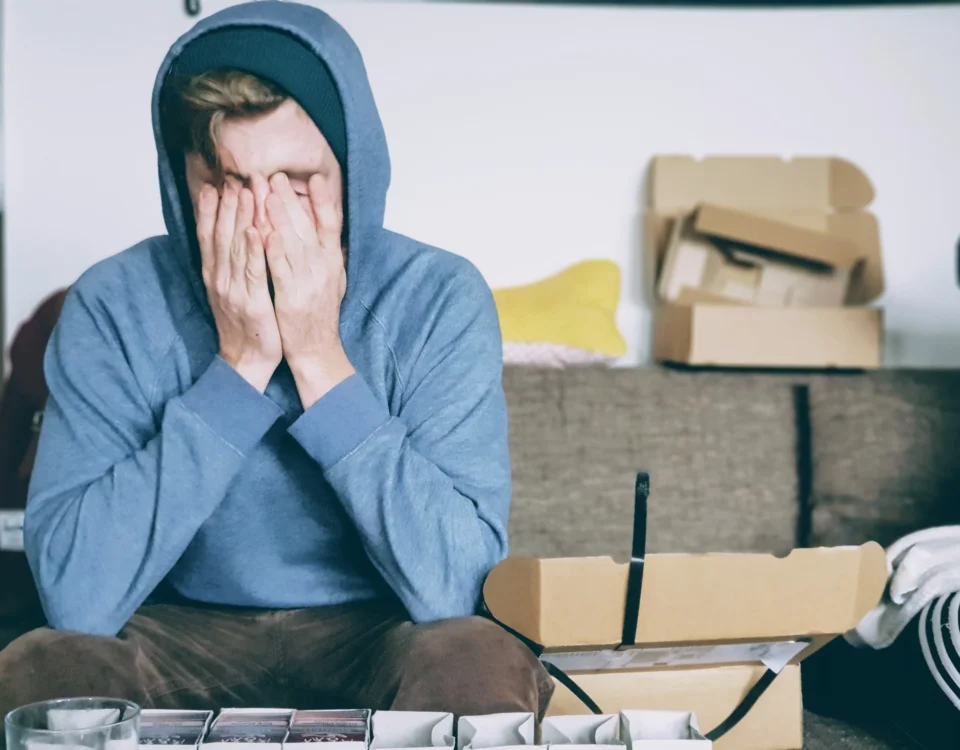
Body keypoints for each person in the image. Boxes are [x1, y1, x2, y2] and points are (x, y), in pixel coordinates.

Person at [0, 1, 552, 721]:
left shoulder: (439, 297)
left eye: (296, 179)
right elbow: (77, 600)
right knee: (45, 666)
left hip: (380, 630)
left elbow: (457, 590)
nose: (263, 220)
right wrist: (239, 368)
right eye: (229, 183)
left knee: (476, 656)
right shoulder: (112, 303)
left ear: (353, 170)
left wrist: (319, 357)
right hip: (177, 630)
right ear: (181, 179)